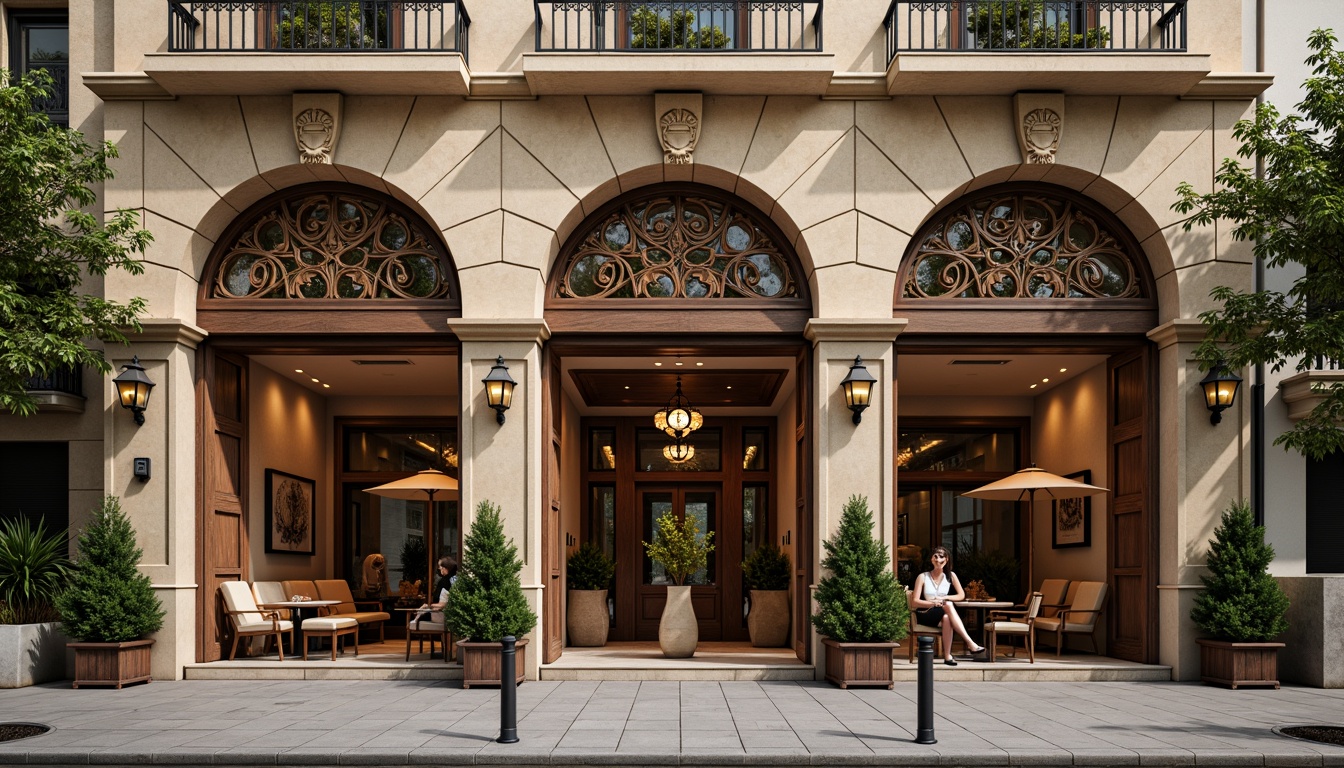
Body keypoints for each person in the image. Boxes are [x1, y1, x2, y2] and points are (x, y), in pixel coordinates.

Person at [912, 545, 985, 666]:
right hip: (925, 613)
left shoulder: (951, 576)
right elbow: (914, 602)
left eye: (941, 557)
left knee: (947, 618)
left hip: (941, 611)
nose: (938, 559)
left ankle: (947, 656)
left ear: (946, 560)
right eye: (935, 556)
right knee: (949, 605)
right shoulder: (923, 576)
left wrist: (944, 597)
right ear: (931, 559)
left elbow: (961, 595)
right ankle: (970, 642)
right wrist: (933, 602)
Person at [417, 556, 457, 623]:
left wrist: (428, 606)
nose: (439, 569)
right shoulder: (456, 579)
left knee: (420, 617)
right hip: (454, 614)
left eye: (440, 567)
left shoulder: (444, 582)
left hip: (443, 615)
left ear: (444, 568)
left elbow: (442, 604)